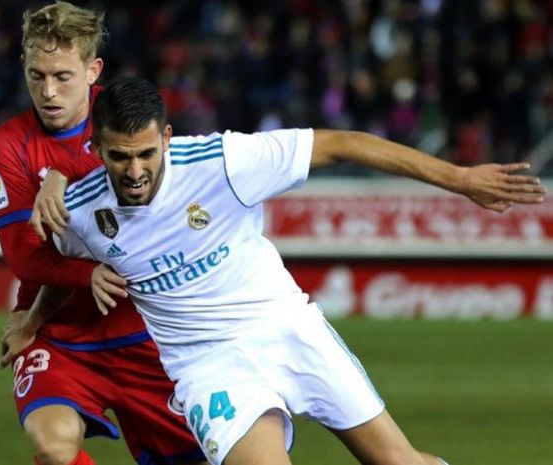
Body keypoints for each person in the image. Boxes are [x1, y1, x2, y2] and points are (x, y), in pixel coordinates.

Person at [30, 76, 546, 465]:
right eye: (120, 157)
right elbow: (63, 271)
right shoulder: (79, 213)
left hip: (287, 330)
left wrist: (459, 178)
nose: (136, 171)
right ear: (96, 149)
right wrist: (28, 322)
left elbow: (341, 143)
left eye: (146, 153)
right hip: (210, 368)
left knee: (396, 461)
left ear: (166, 137)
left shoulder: (224, 162)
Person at [0, 4, 206, 465]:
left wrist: (61, 174)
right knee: (53, 447)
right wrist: (88, 276)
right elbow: (25, 260)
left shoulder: (124, 117)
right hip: (57, 333)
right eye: (36, 75)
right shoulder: (4, 145)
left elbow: (154, 186)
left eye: (63, 76)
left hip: (143, 329)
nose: (48, 92)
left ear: (92, 70)